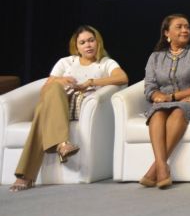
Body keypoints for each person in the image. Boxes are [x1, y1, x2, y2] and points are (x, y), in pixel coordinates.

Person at [9, 25, 128, 192]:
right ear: (76, 47)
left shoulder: (105, 63)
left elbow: (122, 77)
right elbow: (45, 90)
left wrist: (91, 82)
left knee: (42, 112)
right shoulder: (66, 62)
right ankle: (62, 144)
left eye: (91, 40)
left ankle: (25, 175)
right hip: (56, 102)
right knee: (53, 87)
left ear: (98, 42)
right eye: (82, 42)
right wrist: (60, 81)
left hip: (78, 106)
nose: (88, 45)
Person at [139, 14, 190, 189]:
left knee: (179, 111)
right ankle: (162, 166)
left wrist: (173, 97)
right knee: (157, 113)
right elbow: (149, 87)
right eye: (179, 27)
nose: (185, 30)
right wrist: (157, 96)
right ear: (167, 33)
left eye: (187, 27)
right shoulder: (155, 57)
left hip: (188, 101)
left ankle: (156, 168)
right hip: (161, 103)